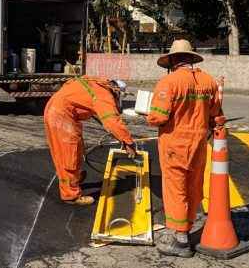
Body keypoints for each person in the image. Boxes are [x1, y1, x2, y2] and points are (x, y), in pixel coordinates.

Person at [146, 39, 223, 257]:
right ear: (190, 58)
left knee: (176, 189)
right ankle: (186, 228)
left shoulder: (169, 82)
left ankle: (180, 240)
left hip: (175, 144)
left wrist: (148, 115)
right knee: (193, 187)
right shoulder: (209, 81)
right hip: (198, 144)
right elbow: (214, 113)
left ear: (173, 61)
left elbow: (158, 117)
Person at [44, 77, 137, 206]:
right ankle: (70, 195)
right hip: (61, 115)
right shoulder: (104, 95)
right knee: (68, 155)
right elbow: (112, 121)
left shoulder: (96, 84)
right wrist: (128, 142)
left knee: (76, 149)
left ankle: (74, 179)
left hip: (60, 110)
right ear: (116, 91)